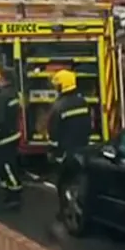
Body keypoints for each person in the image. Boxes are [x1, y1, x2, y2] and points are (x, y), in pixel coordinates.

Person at [46, 69, 91, 220]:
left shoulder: (58, 107)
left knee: (63, 183)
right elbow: (89, 124)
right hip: (83, 149)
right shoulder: (83, 102)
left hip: (66, 153)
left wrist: (52, 152)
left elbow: (53, 134)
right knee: (80, 182)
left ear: (62, 86)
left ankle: (65, 211)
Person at [0, 66, 25, 210]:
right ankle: (9, 190)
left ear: (4, 79)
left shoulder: (2, 97)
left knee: (6, 165)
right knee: (6, 164)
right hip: (13, 135)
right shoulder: (14, 93)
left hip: (3, 138)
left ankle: (14, 194)